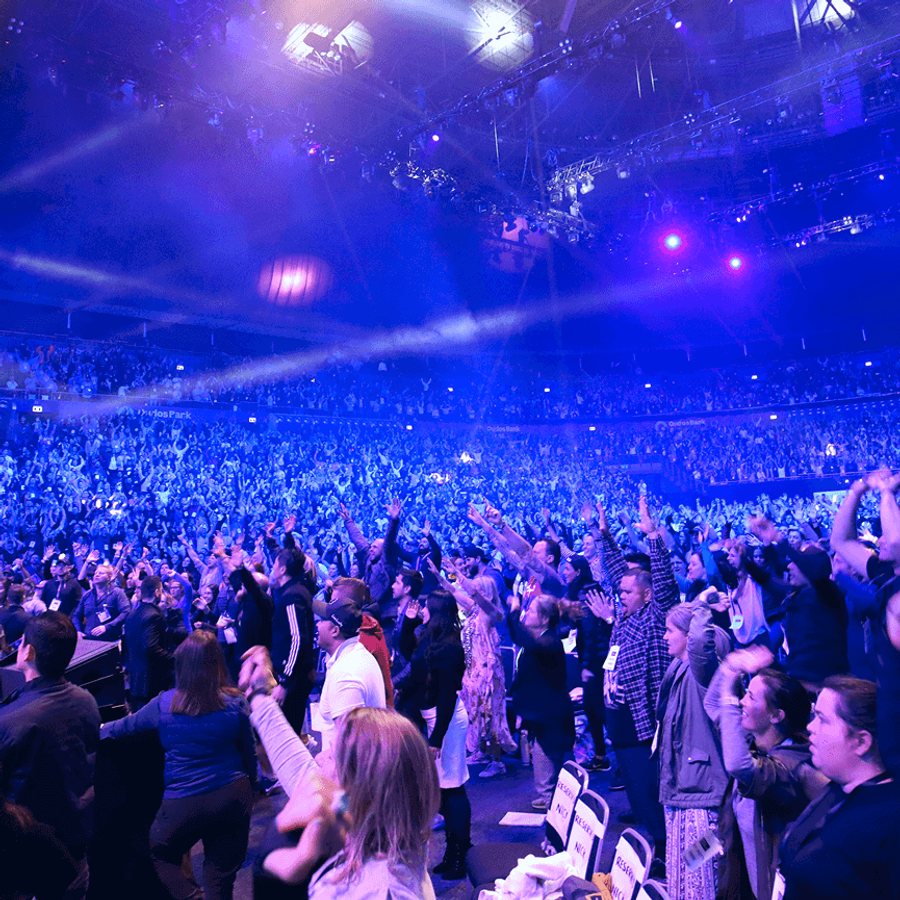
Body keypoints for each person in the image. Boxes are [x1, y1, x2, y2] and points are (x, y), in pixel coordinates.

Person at [239, 646, 441, 900]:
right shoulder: (379, 824)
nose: (320, 756)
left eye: (334, 753)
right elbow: (301, 768)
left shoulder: (380, 892)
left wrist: (277, 870)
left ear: (358, 789)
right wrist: (259, 694)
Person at [101, 629, 257, 900]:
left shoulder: (164, 704)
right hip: (234, 795)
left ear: (180, 665)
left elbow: (121, 727)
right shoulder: (236, 701)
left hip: (184, 802)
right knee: (220, 877)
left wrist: (96, 727)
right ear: (217, 663)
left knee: (159, 851)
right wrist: (251, 790)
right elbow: (250, 754)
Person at [704, 645, 827, 900]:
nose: (741, 701)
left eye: (750, 696)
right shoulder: (753, 743)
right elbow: (713, 704)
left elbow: (738, 766)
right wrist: (731, 666)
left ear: (776, 715)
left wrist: (729, 688)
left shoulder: (790, 766)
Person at [0, 611, 101, 900]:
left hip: (26, 859)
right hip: (75, 849)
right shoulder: (87, 701)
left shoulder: (9, 720)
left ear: (28, 650)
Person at [778, 675, 900, 899]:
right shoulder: (836, 790)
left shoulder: (889, 818)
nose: (810, 727)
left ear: (861, 742)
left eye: (822, 719)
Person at [657, 593, 730, 900]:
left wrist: (701, 605)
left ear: (688, 637)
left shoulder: (705, 675)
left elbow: (701, 643)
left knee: (702, 880)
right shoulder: (678, 669)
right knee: (684, 876)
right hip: (683, 792)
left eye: (670, 630)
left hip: (703, 798)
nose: (664, 636)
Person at [398, 589, 471, 880]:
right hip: (436, 719)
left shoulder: (450, 647)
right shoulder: (430, 636)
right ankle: (453, 851)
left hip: (448, 721)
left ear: (437, 612)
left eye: (426, 608)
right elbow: (409, 655)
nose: (422, 611)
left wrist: (437, 738)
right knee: (442, 788)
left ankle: (461, 854)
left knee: (452, 787)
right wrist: (408, 623)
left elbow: (447, 696)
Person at [430, 558, 516, 777]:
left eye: (476, 589)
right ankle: (483, 753)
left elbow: (475, 596)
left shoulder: (491, 612)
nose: (471, 592)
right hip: (473, 670)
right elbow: (452, 591)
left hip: (488, 673)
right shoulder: (474, 610)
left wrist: (459, 573)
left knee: (490, 714)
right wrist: (441, 576)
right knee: (476, 713)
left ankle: (497, 761)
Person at [508, 591, 575, 810]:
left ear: (544, 618)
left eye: (532, 611)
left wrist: (515, 612)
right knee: (543, 755)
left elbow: (523, 640)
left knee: (547, 757)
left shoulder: (549, 641)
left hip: (551, 712)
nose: (527, 614)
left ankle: (552, 804)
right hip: (544, 710)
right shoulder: (543, 638)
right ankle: (549, 796)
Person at [310, 592, 386, 762]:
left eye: (322, 620)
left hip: (349, 780)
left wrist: (322, 761)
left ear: (335, 630)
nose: (317, 624)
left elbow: (352, 746)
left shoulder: (346, 672)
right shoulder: (354, 656)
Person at [121, 575, 173, 710]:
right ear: (157, 592)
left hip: (134, 682)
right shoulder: (154, 615)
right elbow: (151, 647)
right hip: (152, 682)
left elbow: (125, 645)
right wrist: (175, 659)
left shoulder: (132, 614)